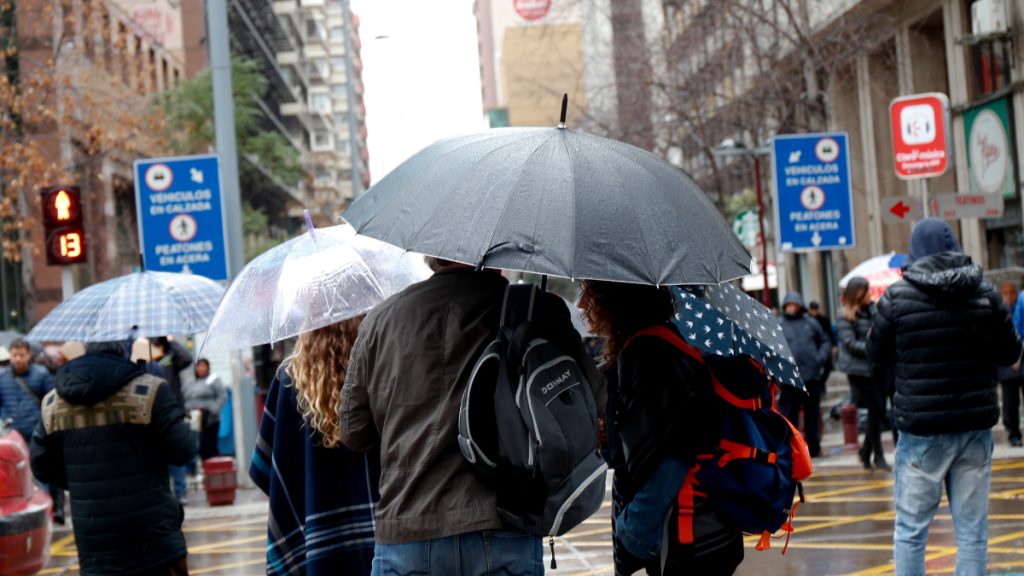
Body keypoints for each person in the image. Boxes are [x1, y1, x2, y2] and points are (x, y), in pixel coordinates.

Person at [340, 259, 604, 575]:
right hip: (503, 523)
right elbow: (594, 399)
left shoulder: (381, 319)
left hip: (406, 526)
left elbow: (354, 431)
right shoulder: (534, 309)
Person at [868, 218, 1022, 576]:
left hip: (922, 429)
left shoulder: (896, 297)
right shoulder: (985, 293)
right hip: (974, 427)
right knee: (972, 534)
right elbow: (1011, 352)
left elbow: (875, 357)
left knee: (911, 533)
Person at [580, 280, 743, 576]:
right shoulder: (666, 339)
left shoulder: (646, 353)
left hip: (686, 535)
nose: (582, 305)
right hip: (710, 528)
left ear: (617, 302)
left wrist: (633, 530)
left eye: (591, 296)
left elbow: (671, 453)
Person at [30, 340, 196, 575]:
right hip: (154, 541)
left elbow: (41, 466)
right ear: (124, 351)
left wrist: (83, 481)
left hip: (95, 547)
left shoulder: (52, 403)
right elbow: (184, 450)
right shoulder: (151, 391)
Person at [250, 317, 379, 575]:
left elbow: (266, 472)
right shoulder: (379, 366)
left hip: (316, 526)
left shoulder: (288, 379)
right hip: (380, 526)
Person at [837, 277, 889, 471]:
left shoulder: (873, 310)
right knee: (876, 407)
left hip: (876, 366)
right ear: (857, 294)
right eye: (866, 292)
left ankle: (866, 451)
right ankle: (878, 455)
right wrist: (872, 347)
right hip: (858, 370)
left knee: (879, 410)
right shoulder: (845, 315)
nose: (870, 295)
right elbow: (849, 344)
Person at [778, 292, 831, 458]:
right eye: (788, 305)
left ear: (800, 306)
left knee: (812, 416)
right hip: (789, 378)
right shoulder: (779, 324)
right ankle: (791, 450)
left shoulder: (811, 323)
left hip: (811, 376)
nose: (791, 308)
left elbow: (825, 341)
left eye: (794, 304)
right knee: (789, 416)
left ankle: (814, 448)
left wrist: (819, 358)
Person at [149, 336, 194, 504]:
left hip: (174, 410)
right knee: (160, 456)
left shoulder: (172, 357)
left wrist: (172, 342)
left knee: (177, 452)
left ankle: (180, 492)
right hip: (154, 413)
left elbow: (187, 358)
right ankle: (165, 492)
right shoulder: (149, 360)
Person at [0, 339, 53, 448]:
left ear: (29, 355)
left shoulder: (41, 374)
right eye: (14, 355)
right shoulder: (2, 377)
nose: (18, 359)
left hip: (36, 433)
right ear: (10, 355)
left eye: (21, 355)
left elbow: (50, 403)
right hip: (9, 434)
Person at [184, 358, 227, 460]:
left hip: (209, 419)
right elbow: (185, 397)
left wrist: (213, 409)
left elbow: (222, 396)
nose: (201, 368)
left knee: (209, 446)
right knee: (196, 445)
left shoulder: (213, 379)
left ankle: (212, 468)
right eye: (199, 366)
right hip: (194, 418)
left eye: (203, 366)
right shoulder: (190, 382)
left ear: (208, 367)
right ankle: (199, 468)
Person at [1000, 281, 1023, 447]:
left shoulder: (1020, 308)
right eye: (1005, 293)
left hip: (1022, 361)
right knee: (1010, 401)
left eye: (1011, 293)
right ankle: (1013, 433)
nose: (1009, 297)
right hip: (1007, 364)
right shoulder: (999, 312)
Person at [808, 301, 836, 388]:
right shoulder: (807, 320)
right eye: (813, 310)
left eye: (816, 309)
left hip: (823, 346)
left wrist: (834, 345)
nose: (814, 312)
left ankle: (821, 383)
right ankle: (819, 386)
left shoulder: (824, 320)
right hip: (812, 346)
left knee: (828, 367)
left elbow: (830, 333)